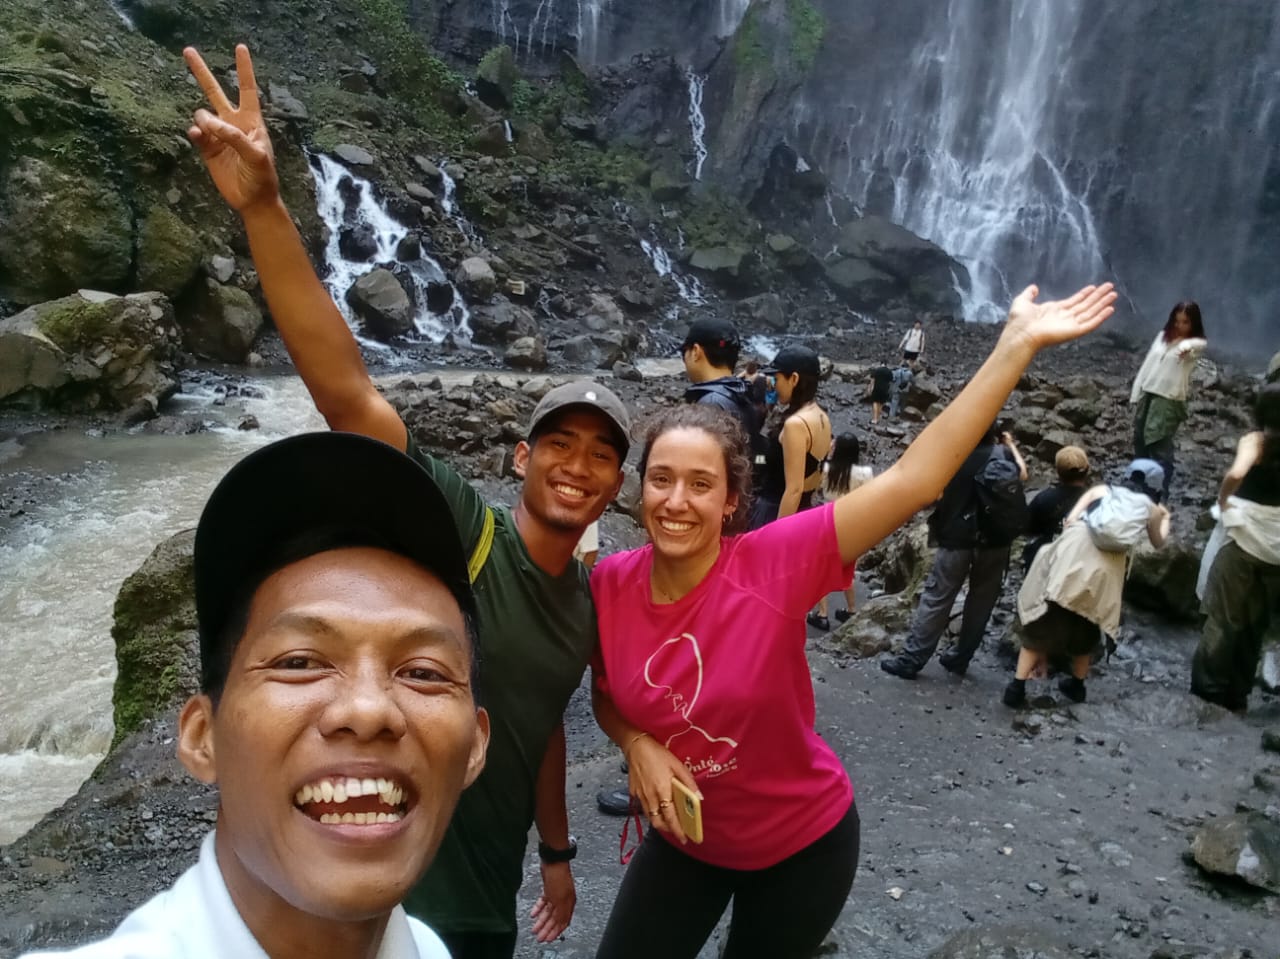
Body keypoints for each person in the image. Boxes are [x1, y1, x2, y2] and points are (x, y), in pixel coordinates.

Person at [184, 44, 628, 956]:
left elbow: (542, 726)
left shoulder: (585, 603)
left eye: (600, 456)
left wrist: (557, 850)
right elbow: (349, 395)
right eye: (560, 445)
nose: (578, 467)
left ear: (616, 483)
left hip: (480, 902)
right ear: (522, 456)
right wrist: (266, 209)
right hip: (375, 878)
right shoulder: (464, 530)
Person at [587, 280, 1116, 959]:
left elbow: (914, 480)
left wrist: (1014, 346)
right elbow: (607, 694)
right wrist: (636, 744)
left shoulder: (774, 560)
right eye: (661, 479)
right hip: (687, 841)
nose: (676, 500)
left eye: (700, 483)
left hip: (801, 844)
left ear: (729, 501)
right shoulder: (610, 583)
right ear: (640, 488)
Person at [21, 431, 490, 958]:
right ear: (203, 736)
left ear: (475, 744)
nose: (367, 709)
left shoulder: (428, 950)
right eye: (299, 663)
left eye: (423, 673)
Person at [1008, 458, 1171, 707]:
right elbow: (1159, 543)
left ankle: (1016, 688)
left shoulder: (1101, 491)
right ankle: (1077, 685)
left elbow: (1070, 520)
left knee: (1043, 622)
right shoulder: (1152, 510)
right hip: (1107, 571)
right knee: (1088, 622)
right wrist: (1166, 517)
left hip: (1073, 554)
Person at [880, 428, 1029, 679]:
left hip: (957, 537)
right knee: (981, 602)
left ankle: (912, 659)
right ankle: (961, 658)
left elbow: (934, 493)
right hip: (995, 541)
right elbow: (1023, 475)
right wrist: (1010, 444)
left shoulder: (955, 456)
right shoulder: (1002, 454)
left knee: (938, 596)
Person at [1191, 384, 1280, 712]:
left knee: (1224, 616)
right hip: (1277, 547)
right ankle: (1238, 694)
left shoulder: (1255, 441)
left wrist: (1223, 499)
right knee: (1255, 623)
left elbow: (1237, 472)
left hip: (1243, 538)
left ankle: (1208, 691)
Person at [1130, 301, 1208, 499]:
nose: (1179, 326)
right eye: (1176, 321)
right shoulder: (1162, 338)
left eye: (1185, 322)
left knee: (1158, 441)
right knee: (1139, 436)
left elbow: (1195, 346)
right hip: (1148, 391)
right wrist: (1136, 390)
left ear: (1193, 324)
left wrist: (1186, 346)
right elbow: (1147, 365)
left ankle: (1159, 489)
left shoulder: (1195, 344)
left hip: (1168, 397)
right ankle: (1139, 481)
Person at [749, 345, 832, 528]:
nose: (774, 385)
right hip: (805, 510)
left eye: (776, 378)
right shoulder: (821, 416)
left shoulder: (796, 424)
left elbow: (793, 490)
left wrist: (778, 535)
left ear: (793, 379)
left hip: (776, 510)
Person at [809, 432, 873, 631]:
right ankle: (852, 610)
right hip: (852, 525)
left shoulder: (827, 470)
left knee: (821, 570)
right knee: (847, 571)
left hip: (829, 521)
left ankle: (822, 614)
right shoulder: (865, 474)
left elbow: (817, 489)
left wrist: (828, 454)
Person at [1021, 445, 1092, 572]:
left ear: (1058, 472)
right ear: (1087, 470)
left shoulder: (1043, 499)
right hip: (1083, 563)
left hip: (1049, 562)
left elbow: (1029, 529)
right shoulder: (1097, 501)